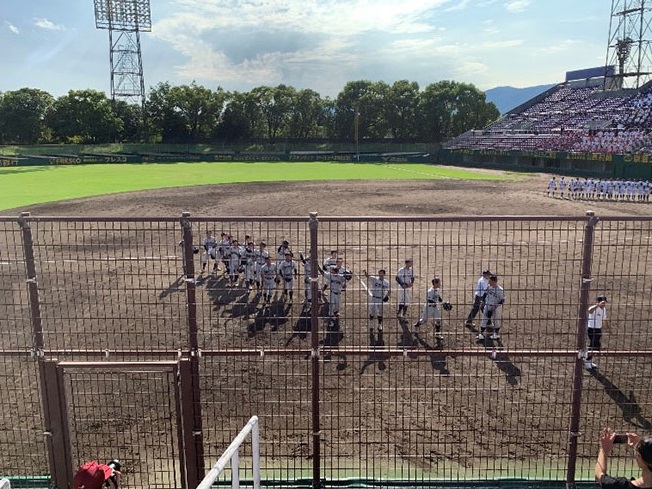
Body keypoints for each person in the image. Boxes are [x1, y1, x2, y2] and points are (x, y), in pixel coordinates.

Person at [363, 268, 391, 345]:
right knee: (372, 312)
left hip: (381, 299)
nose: (380, 274)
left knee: (380, 313)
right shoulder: (374, 279)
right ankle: (371, 323)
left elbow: (389, 291)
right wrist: (365, 272)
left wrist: (387, 296)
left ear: (384, 274)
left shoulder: (386, 282)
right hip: (374, 298)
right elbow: (367, 276)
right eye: (379, 273)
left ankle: (379, 325)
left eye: (382, 273)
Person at [476, 275, 505, 341]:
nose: (489, 282)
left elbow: (502, 300)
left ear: (494, 281)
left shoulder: (500, 290)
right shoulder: (489, 287)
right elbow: (484, 295)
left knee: (495, 320)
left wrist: (495, 306)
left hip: (495, 307)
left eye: (490, 281)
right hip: (487, 305)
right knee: (484, 319)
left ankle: (496, 334)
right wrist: (482, 303)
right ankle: (481, 334)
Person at [585, 295, 609, 370]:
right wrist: (597, 305)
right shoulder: (595, 308)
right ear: (598, 302)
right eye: (602, 303)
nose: (604, 304)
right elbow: (589, 310)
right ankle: (587, 361)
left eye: (605, 303)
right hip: (592, 329)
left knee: (596, 346)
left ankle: (587, 358)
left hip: (598, 329)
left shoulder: (603, 309)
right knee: (594, 345)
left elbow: (604, 319)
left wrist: (607, 328)